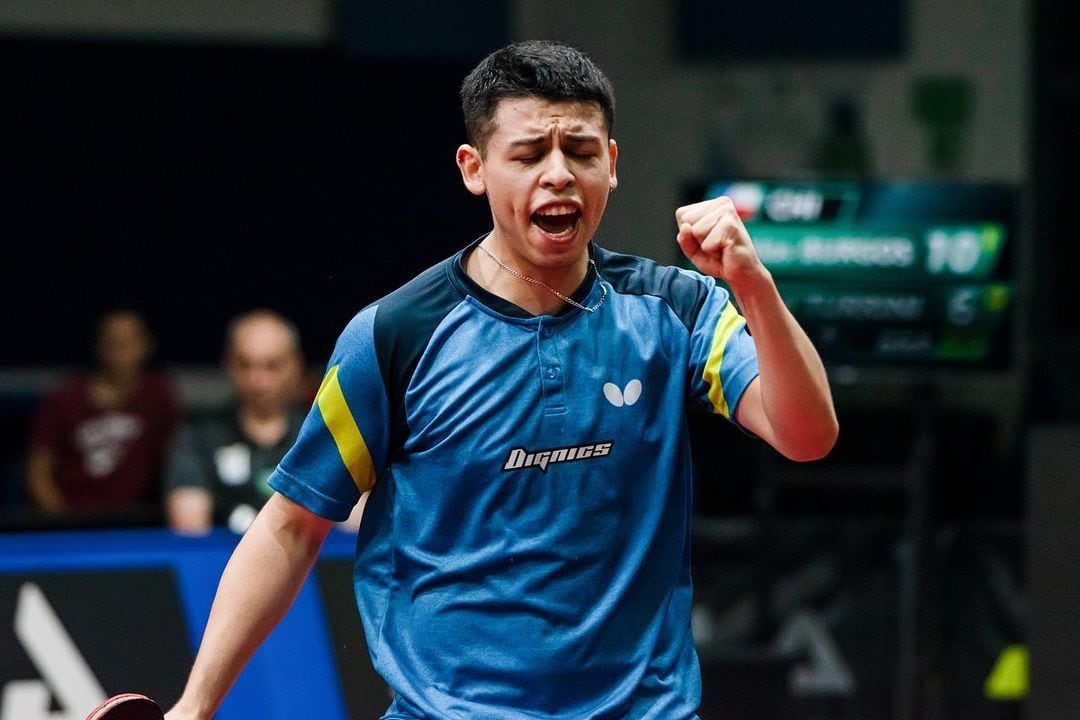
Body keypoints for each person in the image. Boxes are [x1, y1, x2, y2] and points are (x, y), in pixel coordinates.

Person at [164, 41, 838, 720]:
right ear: (474, 168)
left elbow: (805, 435)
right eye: (527, 154)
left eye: (580, 151)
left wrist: (754, 287)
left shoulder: (678, 310)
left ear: (612, 163)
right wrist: (194, 708)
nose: (559, 175)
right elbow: (291, 526)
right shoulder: (394, 336)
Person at [25, 309, 179, 521]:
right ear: (99, 346)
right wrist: (61, 521)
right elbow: (38, 471)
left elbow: (177, 461)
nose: (121, 351)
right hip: (73, 522)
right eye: (113, 342)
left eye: (129, 341)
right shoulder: (65, 398)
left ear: (147, 345)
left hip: (137, 523)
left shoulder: (159, 396)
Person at [163, 309, 306, 535]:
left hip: (310, 566)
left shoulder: (321, 436)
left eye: (272, 366)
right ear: (228, 364)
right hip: (221, 567)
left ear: (295, 365)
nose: (258, 381)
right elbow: (190, 535)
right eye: (245, 365)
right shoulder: (198, 437)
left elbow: (352, 530)